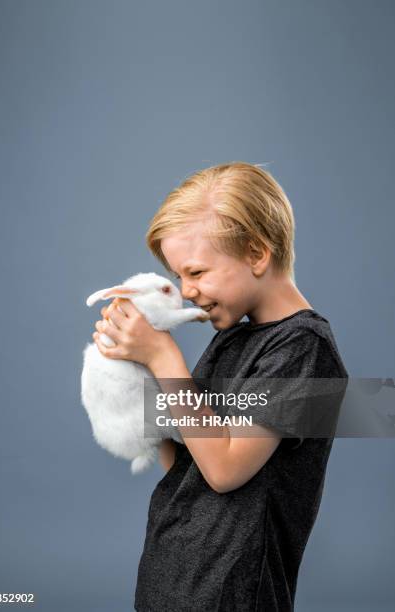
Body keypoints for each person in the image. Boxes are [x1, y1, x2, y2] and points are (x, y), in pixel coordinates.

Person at [92, 162, 349, 611]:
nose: (186, 291)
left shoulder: (304, 348)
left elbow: (226, 470)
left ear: (255, 254)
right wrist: (136, 368)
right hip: (171, 573)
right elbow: (183, 463)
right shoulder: (231, 340)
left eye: (196, 272)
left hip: (231, 589)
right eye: (178, 277)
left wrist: (163, 357)